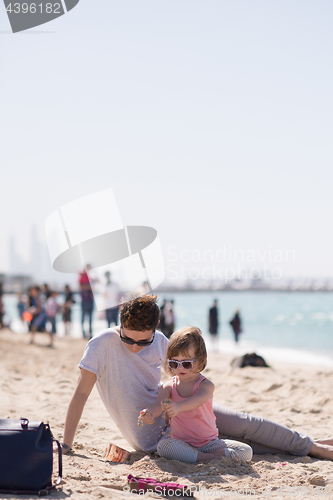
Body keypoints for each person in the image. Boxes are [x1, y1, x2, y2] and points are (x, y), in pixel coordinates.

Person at [61, 294, 333, 461]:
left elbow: (182, 376)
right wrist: (67, 445)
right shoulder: (101, 344)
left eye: (142, 342)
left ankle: (314, 445)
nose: (133, 346)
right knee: (249, 447)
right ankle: (311, 445)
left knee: (246, 424)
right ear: (119, 325)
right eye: (127, 339)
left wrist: (184, 402)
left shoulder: (162, 343)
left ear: (155, 329)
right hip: (159, 436)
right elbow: (81, 394)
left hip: (184, 408)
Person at [139, 327, 252, 463]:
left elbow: (197, 400)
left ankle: (202, 455)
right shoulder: (168, 387)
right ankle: (204, 458)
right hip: (181, 442)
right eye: (174, 363)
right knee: (164, 447)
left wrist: (177, 407)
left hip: (209, 444)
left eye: (186, 364)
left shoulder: (206, 385)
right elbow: (158, 404)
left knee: (246, 451)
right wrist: (150, 413)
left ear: (200, 360)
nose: (180, 368)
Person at [79, 265, 95, 339]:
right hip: (85, 300)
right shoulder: (82, 277)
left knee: (90, 318)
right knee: (84, 318)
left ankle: (90, 333)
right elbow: (82, 287)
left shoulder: (91, 277)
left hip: (90, 300)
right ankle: (83, 333)